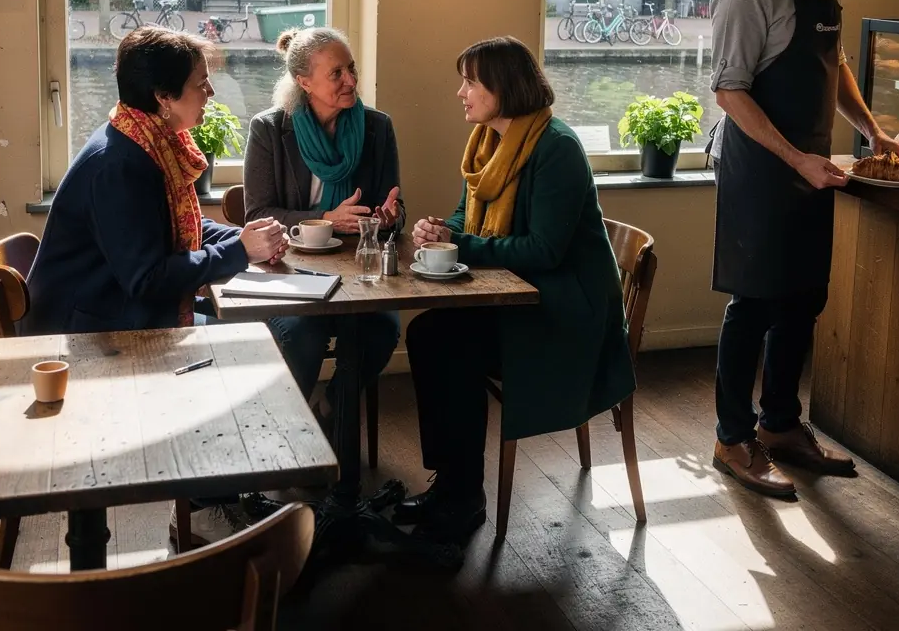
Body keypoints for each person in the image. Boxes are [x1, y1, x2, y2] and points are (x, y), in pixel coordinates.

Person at [22, 27, 289, 545]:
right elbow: (146, 280)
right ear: (163, 99)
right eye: (200, 85)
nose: (210, 93)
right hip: (86, 337)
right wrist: (238, 253)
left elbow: (175, 230)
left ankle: (217, 489)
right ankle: (208, 504)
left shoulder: (146, 141)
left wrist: (241, 236)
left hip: (104, 310)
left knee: (249, 342)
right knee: (241, 355)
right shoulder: (122, 164)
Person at [708, 0, 899, 498]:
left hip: (813, 169)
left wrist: (872, 129)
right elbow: (729, 90)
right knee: (754, 304)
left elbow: (834, 64)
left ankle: (782, 427)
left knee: (802, 302)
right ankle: (732, 439)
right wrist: (795, 160)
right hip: (760, 173)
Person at [396, 36, 635, 541]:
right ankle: (452, 484)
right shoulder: (489, 143)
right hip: (523, 294)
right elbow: (467, 217)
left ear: (503, 88)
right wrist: (443, 231)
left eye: (470, 82)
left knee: (450, 344)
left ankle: (464, 498)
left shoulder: (557, 149)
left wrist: (461, 245)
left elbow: (544, 251)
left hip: (567, 309)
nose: (461, 93)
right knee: (427, 334)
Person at [243, 27, 402, 426]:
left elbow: (393, 213)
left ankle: (329, 413)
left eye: (351, 69)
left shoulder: (377, 128)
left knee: (380, 330)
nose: (351, 81)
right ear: (303, 82)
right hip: (288, 270)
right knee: (303, 334)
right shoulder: (270, 129)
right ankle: (284, 428)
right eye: (336, 74)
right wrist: (325, 220)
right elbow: (256, 214)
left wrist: (389, 218)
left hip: (357, 271)